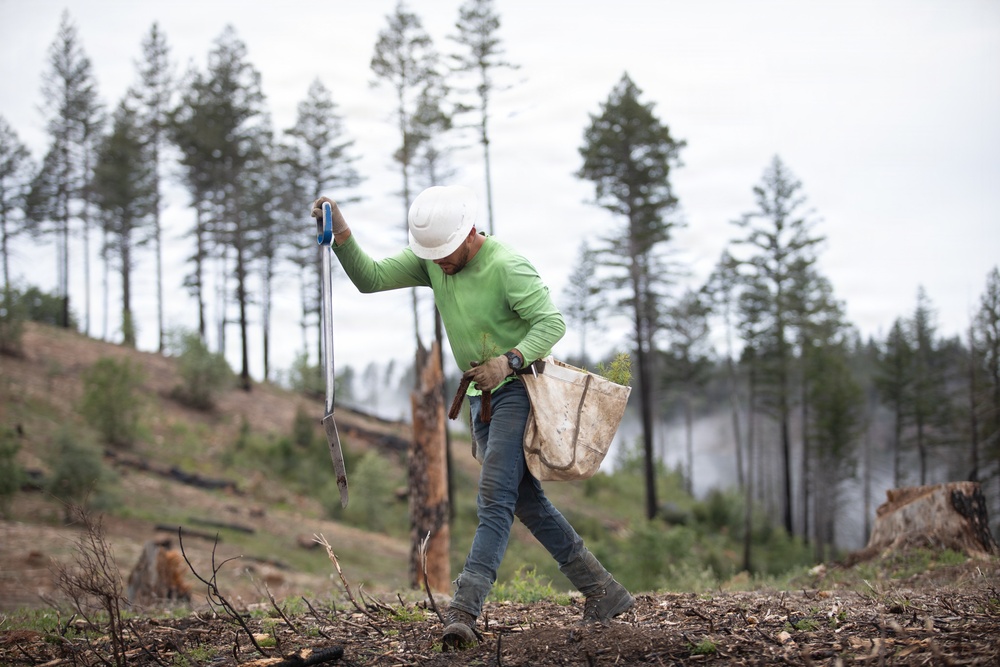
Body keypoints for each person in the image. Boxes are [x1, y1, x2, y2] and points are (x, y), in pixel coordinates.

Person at [311, 185, 633, 650]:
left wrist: (511, 359)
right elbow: (370, 278)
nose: (439, 263)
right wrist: (340, 227)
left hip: (518, 392)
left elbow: (552, 322)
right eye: (432, 255)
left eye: (446, 253)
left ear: (467, 235)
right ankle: (605, 593)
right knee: (526, 502)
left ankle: (465, 608)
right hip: (483, 401)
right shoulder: (432, 259)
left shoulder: (506, 266)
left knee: (495, 499)